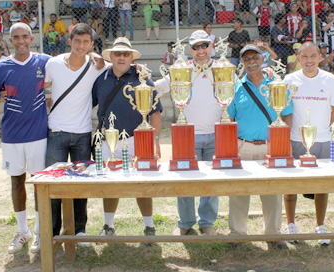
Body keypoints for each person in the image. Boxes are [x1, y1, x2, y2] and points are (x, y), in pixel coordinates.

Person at [0, 22, 51, 254]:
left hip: (38, 134)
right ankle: (23, 231)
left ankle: (41, 231)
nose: (21, 41)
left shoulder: (44, 61)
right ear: (9, 41)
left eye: (25, 36)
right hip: (11, 136)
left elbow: (70, 64)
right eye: (16, 37)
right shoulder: (1, 67)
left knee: (39, 184)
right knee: (16, 182)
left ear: (32, 39)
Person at [92, 37, 161, 240]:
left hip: (137, 139)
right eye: (117, 54)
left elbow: (155, 112)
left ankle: (149, 227)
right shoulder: (101, 79)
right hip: (109, 141)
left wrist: (154, 139)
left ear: (132, 57)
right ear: (111, 57)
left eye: (125, 54)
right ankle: (108, 225)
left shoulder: (143, 77)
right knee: (110, 185)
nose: (121, 58)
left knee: (142, 184)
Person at [44, 23, 107, 241]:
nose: (81, 46)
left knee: (81, 186)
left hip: (82, 133)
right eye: (77, 41)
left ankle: (80, 230)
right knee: (52, 186)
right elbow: (37, 86)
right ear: (69, 41)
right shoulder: (52, 63)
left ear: (91, 44)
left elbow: (121, 65)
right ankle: (51, 232)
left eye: (86, 42)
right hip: (56, 132)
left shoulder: (98, 65)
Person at [156, 30, 223, 236]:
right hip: (187, 135)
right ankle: (185, 222)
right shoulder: (181, 70)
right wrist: (138, 79)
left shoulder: (223, 69)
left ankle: (207, 222)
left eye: (204, 46)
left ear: (212, 46)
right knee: (183, 179)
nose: (201, 51)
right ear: (190, 50)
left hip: (216, 134)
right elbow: (159, 87)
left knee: (211, 181)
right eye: (196, 47)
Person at [227, 44, 289, 249]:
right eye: (246, 59)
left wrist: (283, 140)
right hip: (243, 146)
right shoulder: (236, 87)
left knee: (272, 191)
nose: (251, 62)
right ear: (242, 63)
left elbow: (286, 112)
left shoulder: (276, 83)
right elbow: (230, 116)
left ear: (263, 59)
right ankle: (237, 233)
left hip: (271, 145)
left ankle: (273, 234)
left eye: (255, 57)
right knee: (239, 192)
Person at [283, 42, 334, 245]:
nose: (309, 61)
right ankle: (291, 225)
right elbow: (284, 109)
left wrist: (323, 127)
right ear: (298, 58)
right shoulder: (289, 79)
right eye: (304, 56)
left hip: (322, 140)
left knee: (321, 184)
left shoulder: (330, 79)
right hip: (295, 140)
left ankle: (320, 225)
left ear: (320, 57)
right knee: (290, 184)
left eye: (313, 56)